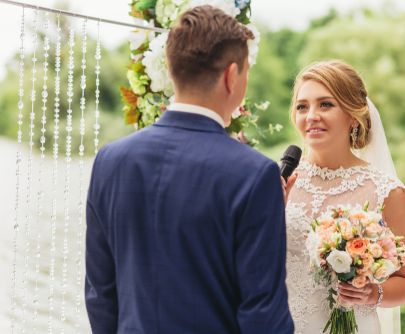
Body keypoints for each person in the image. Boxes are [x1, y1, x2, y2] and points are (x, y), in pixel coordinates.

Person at [85, 6, 294, 333]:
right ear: (231, 75)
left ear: (170, 68)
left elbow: (100, 293)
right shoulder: (254, 175)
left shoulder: (110, 160)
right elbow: (263, 315)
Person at [283, 60, 405, 334]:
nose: (311, 115)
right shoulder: (279, 181)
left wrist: (373, 293)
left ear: (353, 114)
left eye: (325, 104)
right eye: (302, 106)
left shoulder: (387, 191)